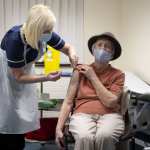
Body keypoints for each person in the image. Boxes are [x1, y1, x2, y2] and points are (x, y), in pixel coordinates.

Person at [0, 4, 78, 150]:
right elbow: (17, 76)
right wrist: (46, 78)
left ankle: (18, 143)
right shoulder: (15, 40)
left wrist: (72, 55)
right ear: (36, 29)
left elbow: (67, 47)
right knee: (7, 119)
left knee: (20, 119)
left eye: (50, 30)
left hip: (24, 74)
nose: (50, 33)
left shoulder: (44, 34)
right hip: (6, 78)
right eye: (47, 30)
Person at [56, 32, 125, 150]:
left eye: (107, 46)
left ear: (112, 54)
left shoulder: (118, 74)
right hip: (82, 115)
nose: (103, 48)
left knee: (105, 136)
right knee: (84, 137)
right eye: (99, 45)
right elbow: (68, 101)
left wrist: (92, 76)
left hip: (110, 115)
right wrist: (58, 128)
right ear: (93, 50)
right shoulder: (79, 70)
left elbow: (111, 102)